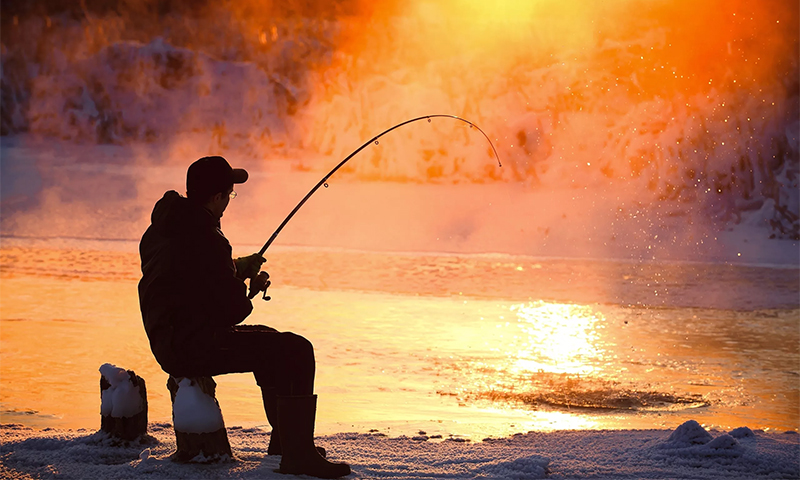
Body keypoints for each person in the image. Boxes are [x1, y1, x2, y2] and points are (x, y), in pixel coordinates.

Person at [138, 155, 350, 478]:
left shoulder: (167, 227)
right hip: (190, 344)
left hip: (169, 336)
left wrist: (234, 268)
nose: (229, 202)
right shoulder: (206, 237)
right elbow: (232, 310)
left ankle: (286, 444)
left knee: (270, 340)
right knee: (297, 350)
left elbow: (192, 279)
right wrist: (248, 285)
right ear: (216, 197)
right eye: (229, 194)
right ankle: (298, 455)